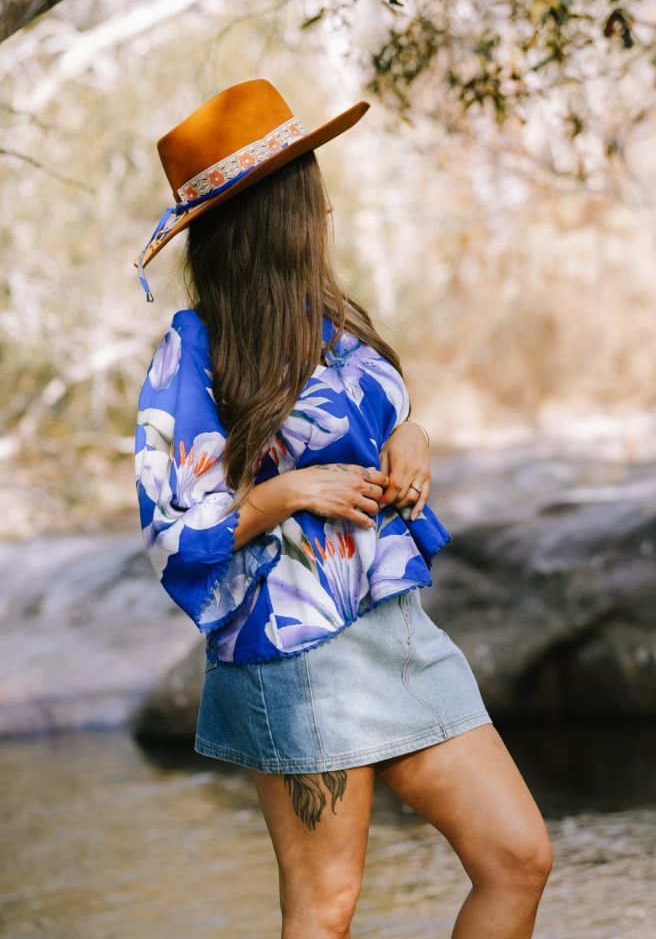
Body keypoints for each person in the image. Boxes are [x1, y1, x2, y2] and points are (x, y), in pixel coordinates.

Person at [134, 79, 553, 939]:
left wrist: (417, 438)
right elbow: (170, 530)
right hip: (294, 651)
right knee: (325, 909)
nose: (325, 203)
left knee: (517, 857)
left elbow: (383, 422)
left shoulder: (329, 322)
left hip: (395, 625)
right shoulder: (196, 347)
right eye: (305, 186)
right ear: (272, 215)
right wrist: (287, 493)